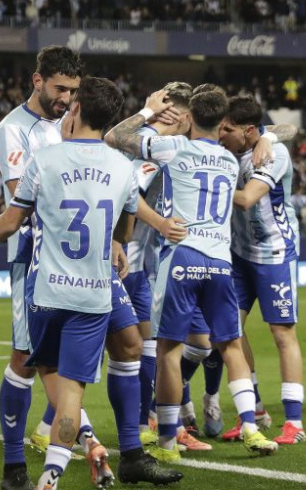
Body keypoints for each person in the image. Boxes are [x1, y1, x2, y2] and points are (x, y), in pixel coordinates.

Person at [0, 77, 183, 490]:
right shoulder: (120, 165)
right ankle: (51, 471)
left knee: (97, 357)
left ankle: (109, 453)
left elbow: (12, 220)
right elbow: (132, 205)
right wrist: (160, 227)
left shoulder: (43, 160)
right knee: (68, 389)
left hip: (46, 290)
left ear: (77, 109)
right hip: (93, 293)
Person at [105, 89, 279, 462]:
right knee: (230, 344)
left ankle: (167, 441)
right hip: (219, 260)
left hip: (181, 256)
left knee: (168, 349)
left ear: (188, 119)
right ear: (223, 124)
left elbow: (113, 137)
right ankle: (250, 425)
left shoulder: (173, 150)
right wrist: (266, 135)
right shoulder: (231, 161)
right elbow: (278, 132)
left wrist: (147, 111)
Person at [0, 46, 119, 490]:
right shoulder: (14, 130)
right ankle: (16, 468)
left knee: (75, 358)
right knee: (26, 360)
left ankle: (67, 437)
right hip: (33, 259)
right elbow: (20, 204)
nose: (66, 97)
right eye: (60, 88)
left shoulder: (74, 124)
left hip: (82, 261)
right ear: (37, 81)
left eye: (73, 90)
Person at [219, 96, 305, 445]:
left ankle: (294, 423)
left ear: (250, 131)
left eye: (228, 128)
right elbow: (287, 128)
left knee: (283, 334)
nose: (221, 133)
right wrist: (271, 134)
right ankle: (254, 410)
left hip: (274, 255)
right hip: (239, 254)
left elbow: (246, 198)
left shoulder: (273, 153)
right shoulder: (240, 146)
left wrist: (206, 186)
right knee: (230, 330)